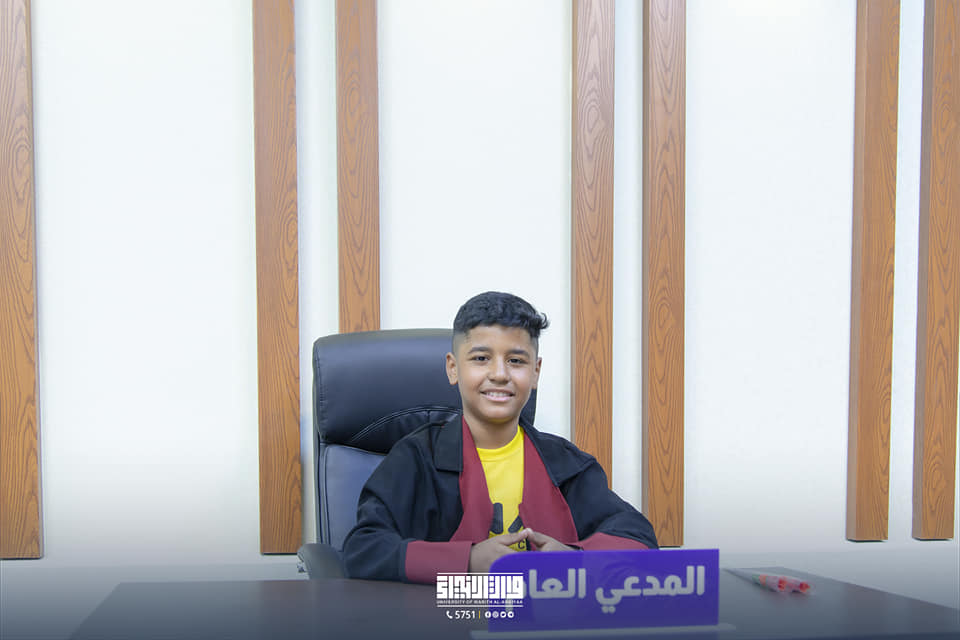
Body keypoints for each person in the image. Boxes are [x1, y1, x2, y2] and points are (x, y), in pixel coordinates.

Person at [342, 291, 658, 583]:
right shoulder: (415, 458)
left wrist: (575, 558)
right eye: (481, 358)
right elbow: (364, 550)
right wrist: (466, 561)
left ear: (535, 372)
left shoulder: (567, 465)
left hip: (544, 616)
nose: (499, 374)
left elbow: (637, 538)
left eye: (516, 361)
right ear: (453, 368)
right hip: (445, 616)